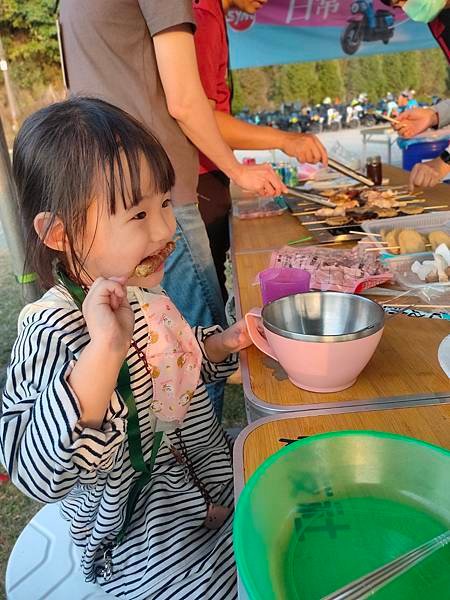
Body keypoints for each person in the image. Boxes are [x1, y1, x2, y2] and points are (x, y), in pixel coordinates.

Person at [0, 98, 252, 599]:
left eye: (163, 202)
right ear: (58, 232)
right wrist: (104, 354)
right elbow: (36, 471)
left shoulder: (143, 293)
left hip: (215, 481)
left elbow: (176, 364)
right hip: (144, 538)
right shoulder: (48, 328)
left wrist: (224, 343)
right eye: (137, 213)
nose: (164, 229)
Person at [58, 0, 285, 418]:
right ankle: (199, 450)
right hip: (160, 194)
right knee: (191, 332)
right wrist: (234, 168)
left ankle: (167, 447)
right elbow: (183, 100)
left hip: (108, 199)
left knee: (154, 331)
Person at [192, 0, 327, 300]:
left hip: (208, 173)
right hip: (197, 179)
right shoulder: (202, 15)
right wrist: (285, 140)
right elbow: (200, 114)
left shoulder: (213, 14)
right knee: (206, 305)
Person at [381, 0, 450, 187]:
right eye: (397, 5)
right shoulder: (440, 21)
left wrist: (444, 161)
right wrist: (434, 115)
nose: (406, 8)